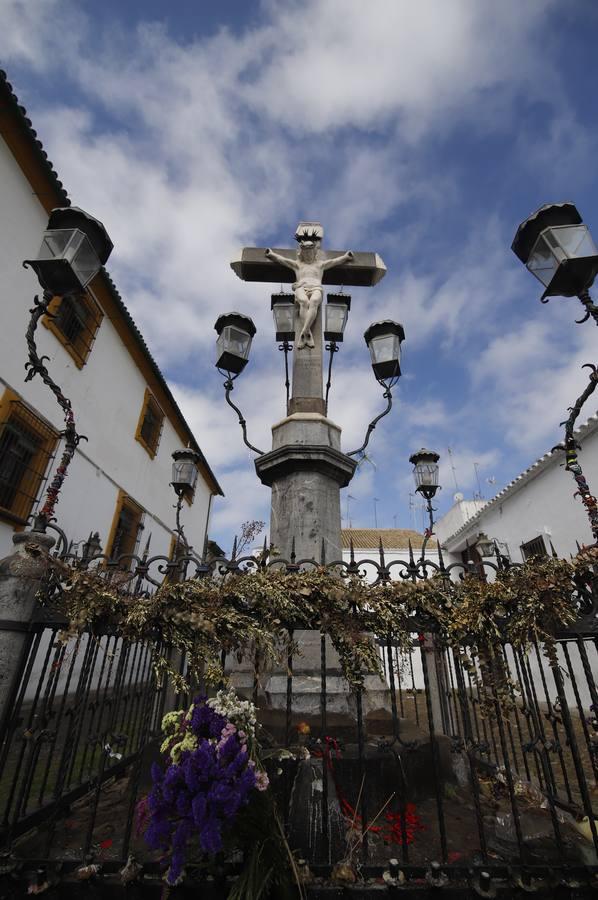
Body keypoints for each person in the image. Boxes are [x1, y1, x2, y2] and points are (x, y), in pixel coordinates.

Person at [265, 242, 353, 349]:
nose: (308, 256)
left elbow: (334, 262)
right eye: (305, 254)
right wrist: (271, 254)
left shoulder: (320, 265)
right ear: (302, 254)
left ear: (314, 253)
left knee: (314, 301)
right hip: (301, 287)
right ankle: (307, 333)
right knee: (304, 302)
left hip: (316, 287)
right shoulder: (298, 265)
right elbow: (283, 260)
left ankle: (304, 332)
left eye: (310, 253)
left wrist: (345, 257)